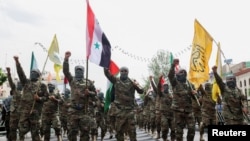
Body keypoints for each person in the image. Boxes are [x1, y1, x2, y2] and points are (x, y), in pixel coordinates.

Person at [63, 51, 97, 141]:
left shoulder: (88, 82)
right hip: (73, 110)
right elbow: (66, 72)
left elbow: (95, 95)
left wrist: (89, 93)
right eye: (77, 70)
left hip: (84, 111)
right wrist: (66, 59)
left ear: (83, 72)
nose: (78, 72)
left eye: (80, 70)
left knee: (85, 133)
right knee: (71, 133)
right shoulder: (72, 80)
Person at [104, 66, 144, 141]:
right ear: (120, 72)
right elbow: (107, 74)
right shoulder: (116, 80)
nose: (123, 72)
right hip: (119, 111)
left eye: (125, 71)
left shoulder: (132, 82)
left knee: (132, 131)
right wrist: (105, 66)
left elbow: (141, 91)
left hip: (130, 111)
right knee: (119, 132)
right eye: (122, 71)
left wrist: (137, 85)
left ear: (128, 72)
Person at [14, 55, 46, 141]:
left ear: (38, 75)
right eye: (31, 72)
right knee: (21, 130)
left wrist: (39, 98)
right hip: (24, 112)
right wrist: (17, 62)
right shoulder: (26, 82)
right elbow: (21, 73)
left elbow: (46, 98)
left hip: (35, 113)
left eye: (34, 73)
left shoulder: (42, 86)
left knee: (35, 133)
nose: (32, 74)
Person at [168, 59, 197, 141]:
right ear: (177, 74)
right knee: (179, 133)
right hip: (178, 111)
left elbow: (195, 98)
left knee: (192, 129)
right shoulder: (175, 83)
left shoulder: (190, 85)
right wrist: (173, 65)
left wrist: (195, 94)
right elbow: (170, 75)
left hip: (189, 110)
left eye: (184, 72)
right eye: (180, 72)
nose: (182, 74)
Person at [6, 67, 22, 141]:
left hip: (22, 115)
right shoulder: (14, 90)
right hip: (13, 114)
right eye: (18, 84)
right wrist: (9, 73)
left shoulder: (25, 92)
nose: (19, 85)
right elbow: (10, 81)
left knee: (22, 131)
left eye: (20, 84)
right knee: (12, 131)